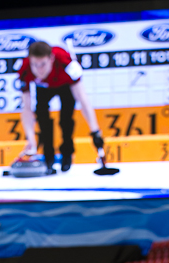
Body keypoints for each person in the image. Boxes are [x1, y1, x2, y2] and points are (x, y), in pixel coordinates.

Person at [18, 41, 104, 173]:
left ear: (51, 59)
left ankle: (67, 155)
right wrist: (31, 139)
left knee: (66, 120)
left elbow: (83, 99)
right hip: (43, 88)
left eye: (43, 64)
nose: (39, 69)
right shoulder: (25, 69)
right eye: (35, 65)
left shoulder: (66, 63)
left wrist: (95, 131)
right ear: (30, 61)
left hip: (65, 86)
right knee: (42, 119)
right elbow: (27, 108)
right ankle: (48, 159)